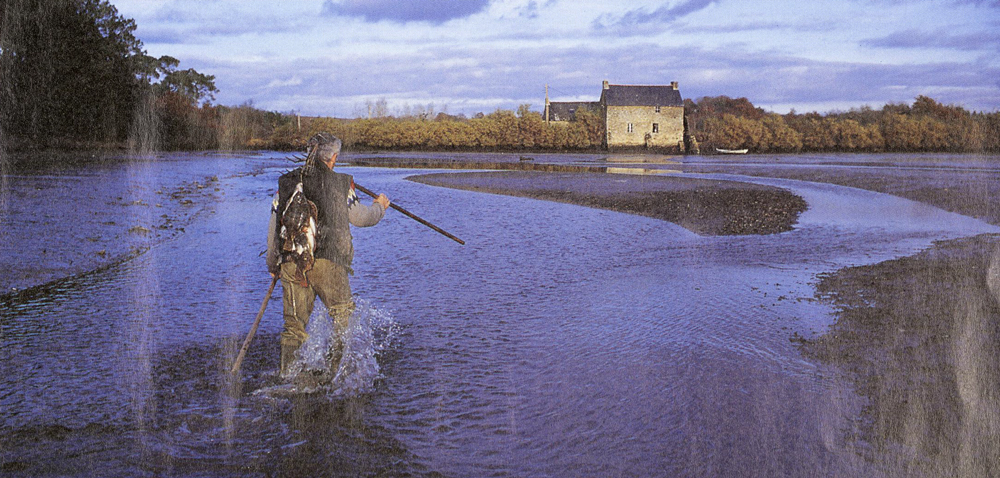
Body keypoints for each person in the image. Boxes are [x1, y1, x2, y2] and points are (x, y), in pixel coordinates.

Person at [266, 133, 389, 376]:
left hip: (292, 264)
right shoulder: (342, 183)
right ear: (332, 157)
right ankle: (336, 375)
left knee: (293, 327)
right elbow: (361, 218)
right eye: (336, 157)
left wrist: (274, 264)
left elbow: (274, 227)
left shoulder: (285, 183)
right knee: (343, 319)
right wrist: (380, 206)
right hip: (328, 262)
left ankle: (288, 378)